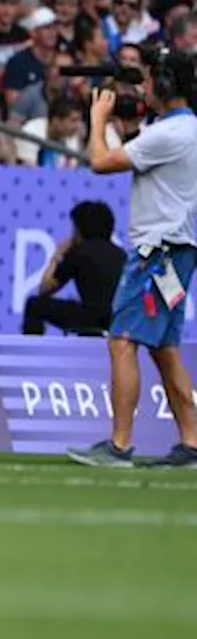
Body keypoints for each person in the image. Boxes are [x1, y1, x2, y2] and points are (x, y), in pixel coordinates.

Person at [68, 56, 197, 468]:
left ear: (164, 83)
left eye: (148, 82)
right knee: (164, 348)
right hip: (178, 250)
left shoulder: (172, 132)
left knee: (122, 340)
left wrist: (97, 116)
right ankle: (191, 443)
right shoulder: (184, 129)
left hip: (155, 253)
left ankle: (119, 446)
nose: (143, 89)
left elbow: (101, 162)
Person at [23, 201, 125, 336]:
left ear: (80, 229)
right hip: (118, 319)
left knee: (34, 305)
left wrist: (57, 256)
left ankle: (31, 351)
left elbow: (45, 289)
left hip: (90, 319)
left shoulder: (78, 253)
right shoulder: (122, 254)